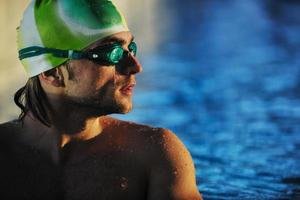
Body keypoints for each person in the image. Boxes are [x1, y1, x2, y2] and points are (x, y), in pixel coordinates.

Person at [0, 0, 202, 199]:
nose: (135, 66)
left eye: (130, 49)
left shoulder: (154, 157)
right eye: (110, 53)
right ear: (52, 72)